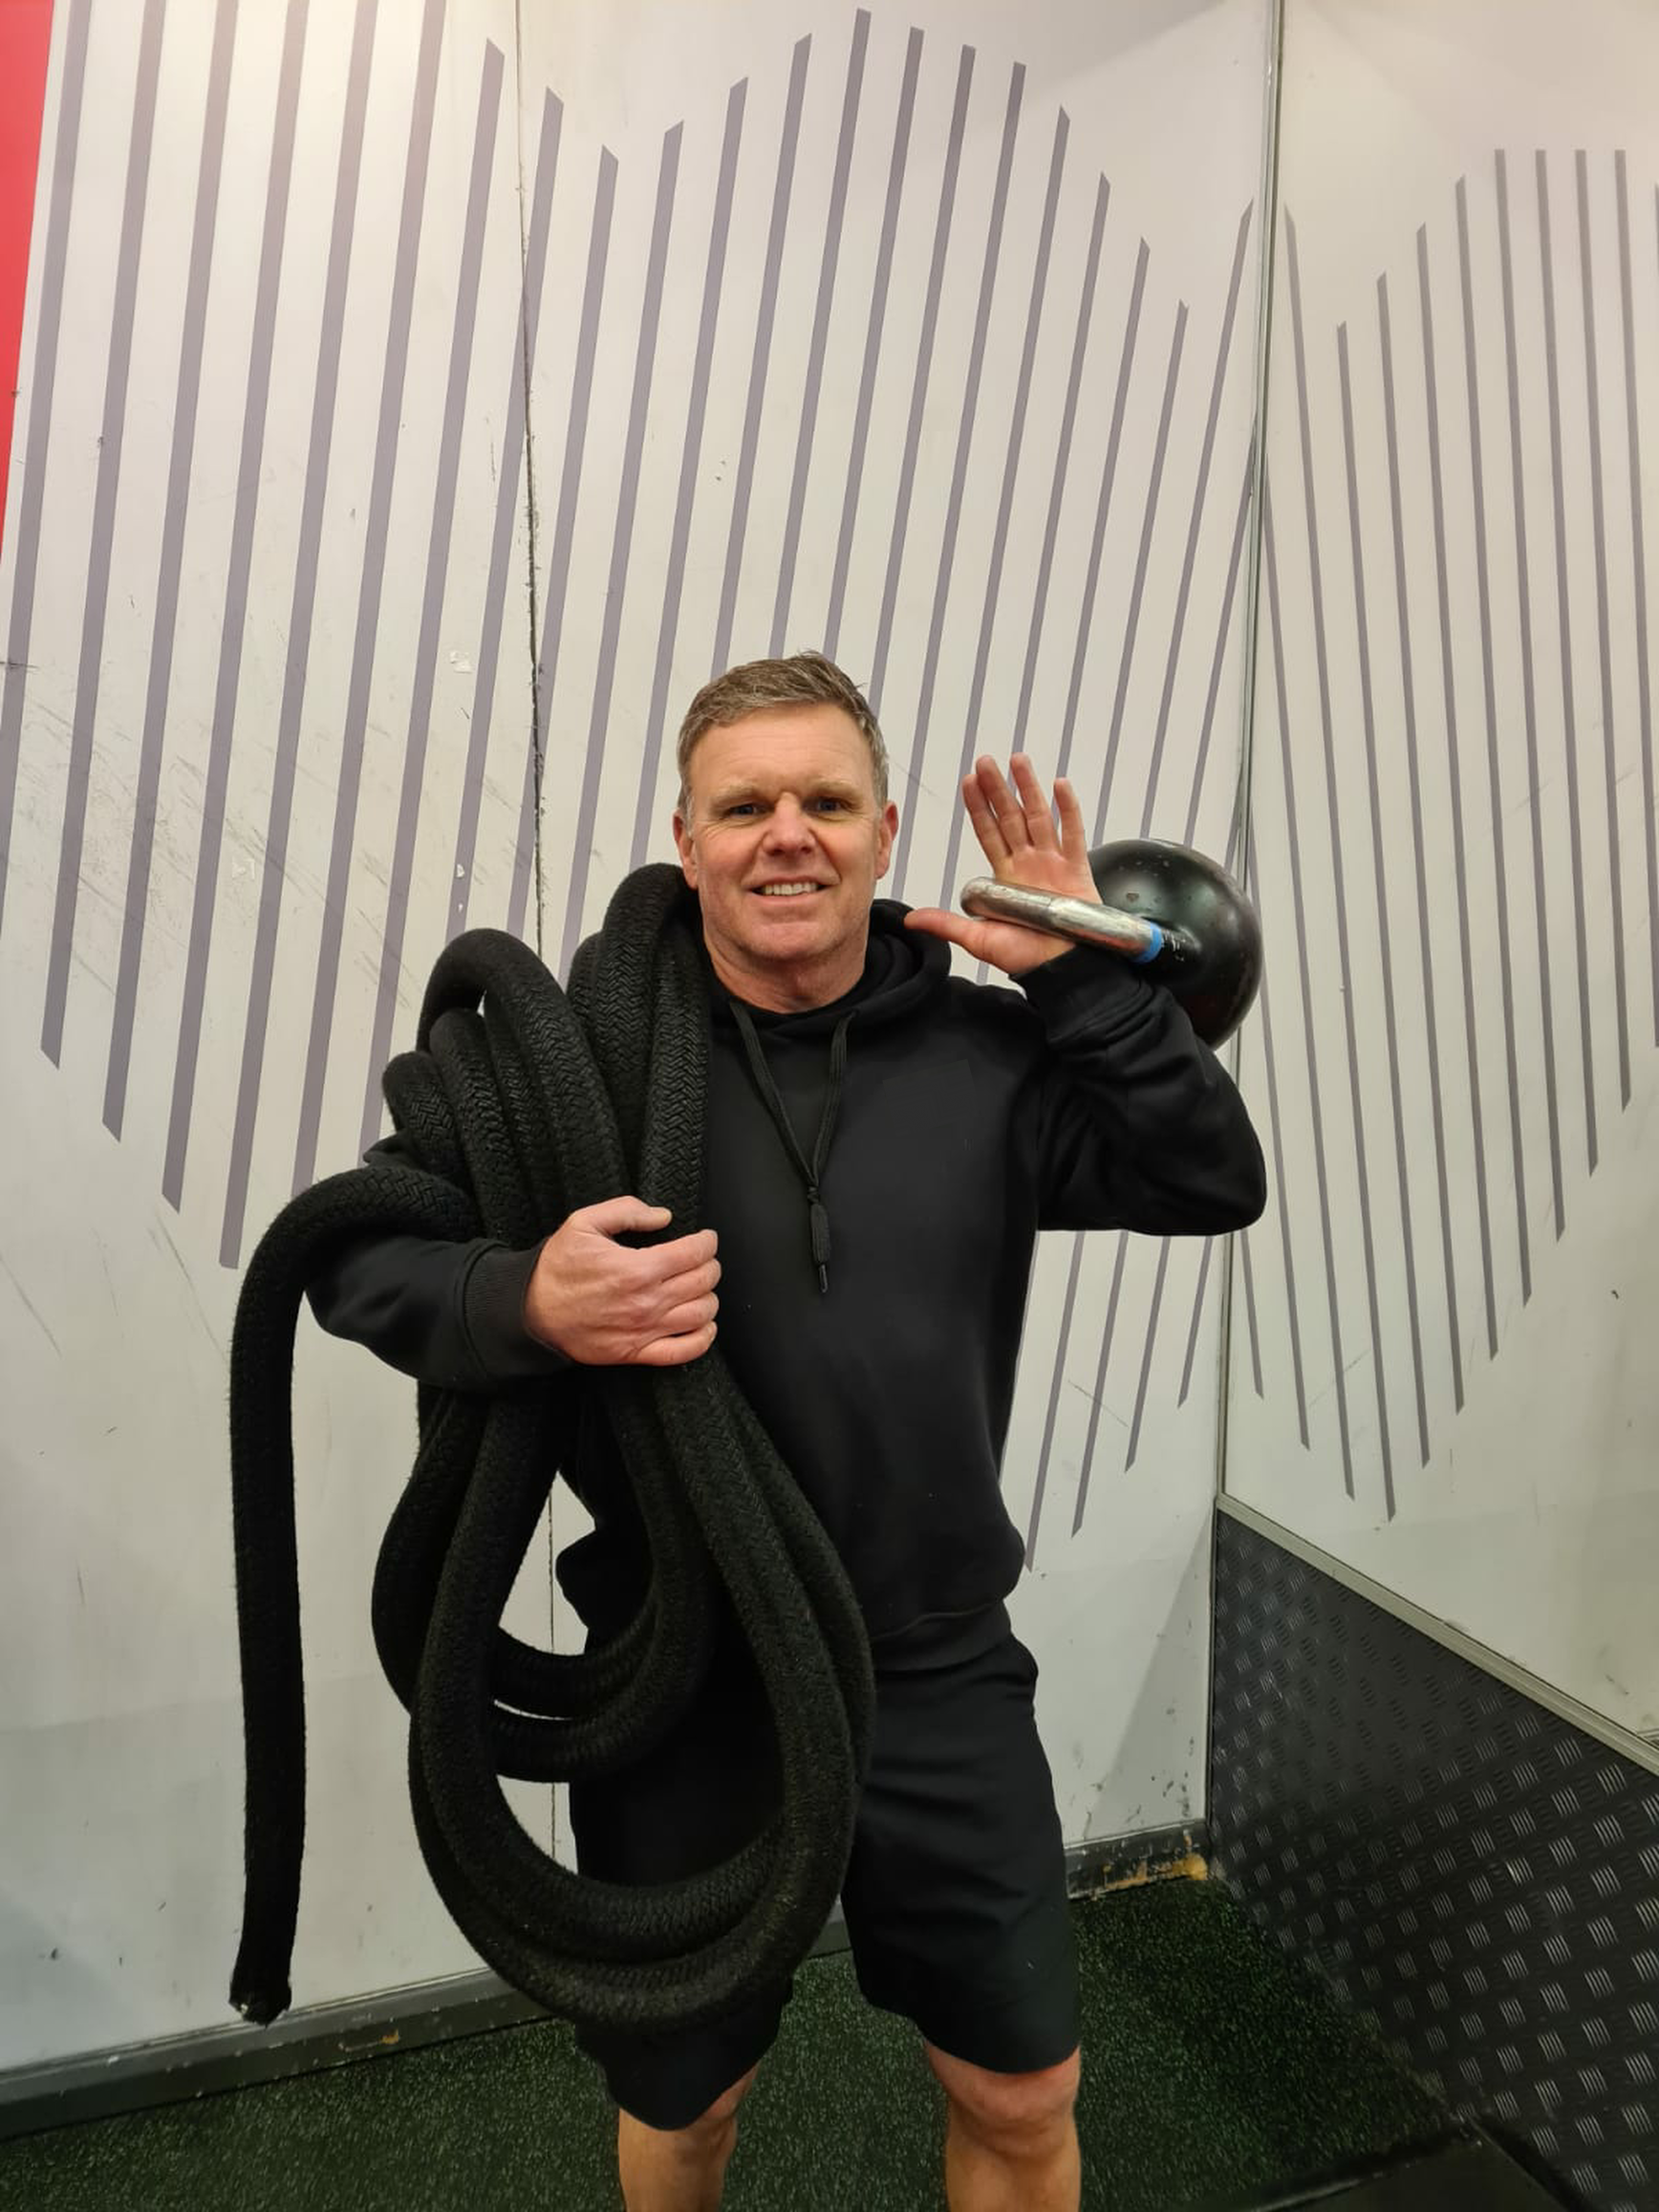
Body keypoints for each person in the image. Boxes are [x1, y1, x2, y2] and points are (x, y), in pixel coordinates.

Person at [309, 651, 1266, 2212]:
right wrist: (525, 1297)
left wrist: (1082, 982)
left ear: (885, 832)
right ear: (685, 840)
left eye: (826, 799)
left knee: (1023, 2089)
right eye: (744, 804)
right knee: (687, 2103)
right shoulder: (580, 1073)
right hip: (687, 1670)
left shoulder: (990, 1058)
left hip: (932, 1661)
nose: (787, 833)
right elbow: (354, 1249)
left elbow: (1210, 1177)